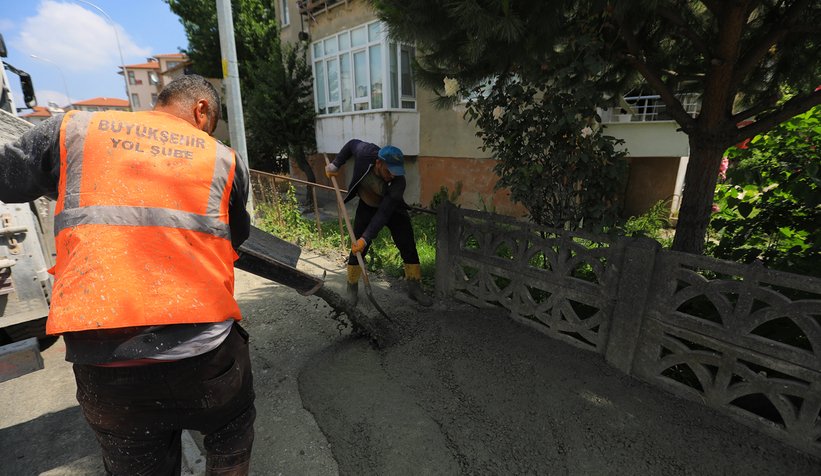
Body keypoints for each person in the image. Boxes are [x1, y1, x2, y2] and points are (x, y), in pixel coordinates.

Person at [0, 75, 254, 475]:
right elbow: (236, 237)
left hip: (107, 366)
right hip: (206, 356)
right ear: (201, 110)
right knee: (231, 434)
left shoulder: (73, 130)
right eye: (211, 123)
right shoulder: (223, 158)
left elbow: (7, 179)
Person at [325, 139, 433, 307]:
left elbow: (383, 214)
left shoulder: (398, 182)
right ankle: (352, 287)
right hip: (367, 205)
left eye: (396, 172)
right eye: (389, 171)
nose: (393, 176)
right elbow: (352, 143)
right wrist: (336, 164)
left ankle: (414, 287)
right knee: (357, 247)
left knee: (407, 244)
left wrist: (366, 238)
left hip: (392, 209)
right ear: (378, 162)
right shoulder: (366, 153)